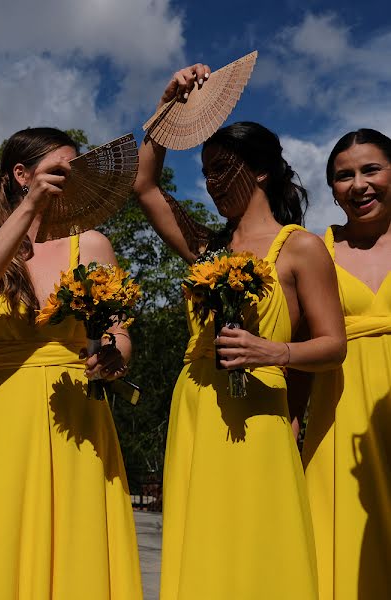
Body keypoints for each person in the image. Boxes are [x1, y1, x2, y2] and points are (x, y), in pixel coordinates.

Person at [132, 64, 347, 599]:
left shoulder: (300, 247)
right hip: (197, 406)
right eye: (205, 171)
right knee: (200, 536)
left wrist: (272, 350)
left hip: (260, 412)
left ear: (261, 172)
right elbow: (144, 184)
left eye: (221, 169)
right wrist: (166, 109)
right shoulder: (207, 247)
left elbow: (333, 345)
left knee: (257, 538)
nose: (209, 184)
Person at [0, 127, 142, 599]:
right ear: (22, 175)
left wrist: (115, 355)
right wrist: (30, 209)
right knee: (2, 532)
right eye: (61, 170)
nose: (71, 181)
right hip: (3, 412)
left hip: (77, 408)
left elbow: (120, 329)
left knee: (78, 537)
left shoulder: (92, 245)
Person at [301, 128, 391, 600]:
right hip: (339, 419)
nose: (358, 184)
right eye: (343, 175)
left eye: (371, 169)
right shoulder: (316, 249)